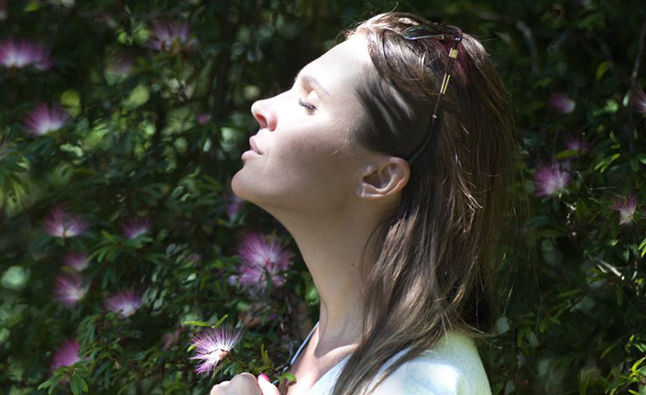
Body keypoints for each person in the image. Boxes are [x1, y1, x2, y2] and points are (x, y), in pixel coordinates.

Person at [214, 10, 521, 395]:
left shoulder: (418, 382)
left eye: (308, 104)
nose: (263, 106)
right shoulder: (337, 343)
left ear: (379, 178)